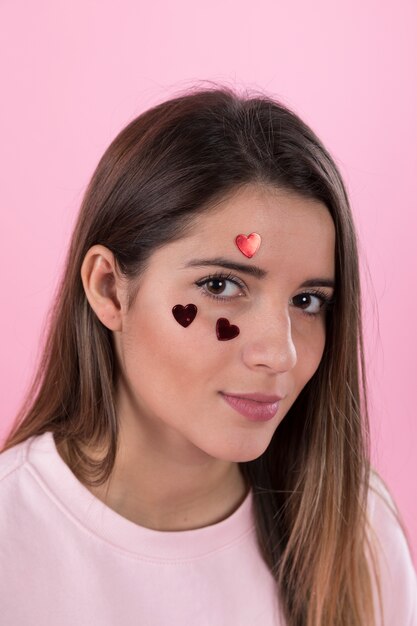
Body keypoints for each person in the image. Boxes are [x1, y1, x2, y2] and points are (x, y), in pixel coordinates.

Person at [1, 86, 416, 626]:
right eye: (221, 285)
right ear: (109, 289)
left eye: (308, 301)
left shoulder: (354, 528)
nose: (279, 353)